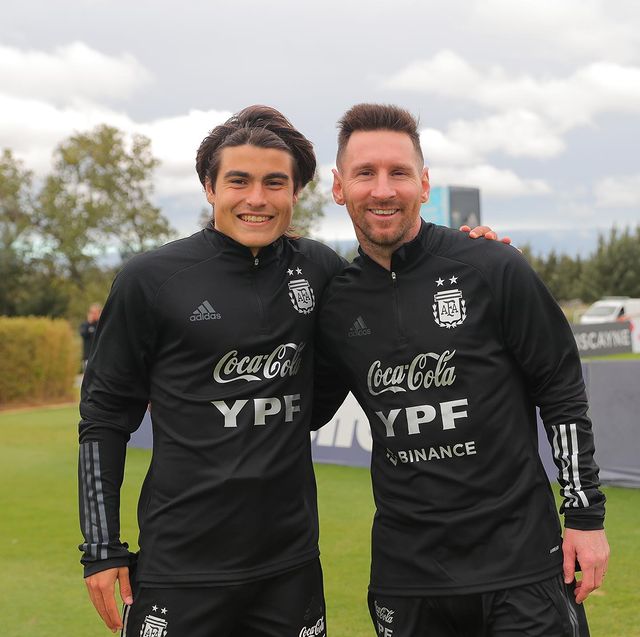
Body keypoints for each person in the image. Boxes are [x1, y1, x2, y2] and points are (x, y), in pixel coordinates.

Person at [78, 104, 501, 636]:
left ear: (296, 192)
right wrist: (101, 548)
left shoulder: (321, 270)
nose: (256, 199)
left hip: (290, 568)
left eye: (274, 183)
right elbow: (102, 420)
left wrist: (472, 254)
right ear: (210, 187)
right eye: (239, 181)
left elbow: (397, 289)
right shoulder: (150, 280)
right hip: (179, 570)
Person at [315, 103, 609, 637]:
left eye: (399, 173)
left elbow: (561, 389)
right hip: (407, 578)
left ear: (424, 184)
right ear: (339, 187)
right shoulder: (334, 304)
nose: (383, 190)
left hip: (521, 565)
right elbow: (303, 408)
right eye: (365, 173)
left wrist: (585, 517)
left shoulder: (493, 267)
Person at [79, 303, 102, 370]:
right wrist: (89, 323)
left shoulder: (102, 325)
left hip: (100, 358)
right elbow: (83, 334)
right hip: (87, 358)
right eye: (91, 312)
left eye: (95, 312)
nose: (93, 314)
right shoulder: (85, 324)